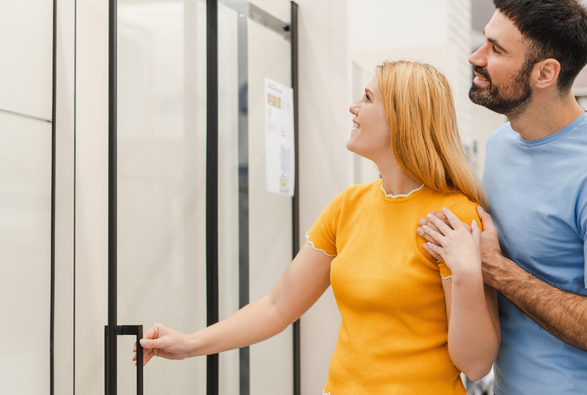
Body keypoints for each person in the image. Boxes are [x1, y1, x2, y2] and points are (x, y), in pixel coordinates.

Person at [133, 60, 500, 394]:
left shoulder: (454, 217)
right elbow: (278, 306)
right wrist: (190, 344)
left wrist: (467, 273)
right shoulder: (348, 206)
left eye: (368, 98)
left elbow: (475, 363)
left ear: (404, 118)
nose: (353, 107)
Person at [419, 0, 587, 394]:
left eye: (497, 49)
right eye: (484, 41)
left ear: (546, 73)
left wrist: (499, 271)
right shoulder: (501, 145)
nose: (477, 57)